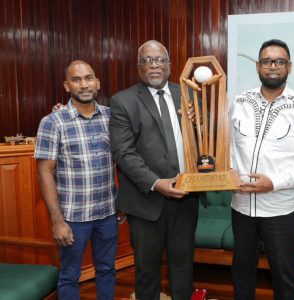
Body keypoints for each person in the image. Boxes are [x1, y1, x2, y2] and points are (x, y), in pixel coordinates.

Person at [229, 39, 294, 300]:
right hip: (241, 206)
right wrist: (227, 174)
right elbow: (226, 146)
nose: (273, 66)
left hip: (281, 209)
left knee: (284, 276)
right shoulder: (240, 102)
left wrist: (274, 182)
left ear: (289, 67)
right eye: (267, 61)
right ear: (258, 66)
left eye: (280, 61)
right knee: (242, 272)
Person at [109, 40, 201, 300]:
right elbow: (123, 153)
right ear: (139, 67)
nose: (154, 65)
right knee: (147, 273)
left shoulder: (187, 95)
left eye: (159, 59)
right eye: (148, 60)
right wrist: (156, 183)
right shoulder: (123, 101)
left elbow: (202, 141)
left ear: (170, 66)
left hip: (186, 198)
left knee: (183, 268)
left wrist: (198, 124)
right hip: (146, 201)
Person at [35, 60, 118, 300]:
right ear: (66, 85)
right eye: (76, 79)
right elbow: (44, 173)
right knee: (70, 276)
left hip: (107, 214)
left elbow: (124, 160)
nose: (84, 84)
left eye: (89, 78)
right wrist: (57, 221)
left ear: (97, 82)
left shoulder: (111, 117)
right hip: (73, 219)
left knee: (106, 270)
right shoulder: (52, 122)